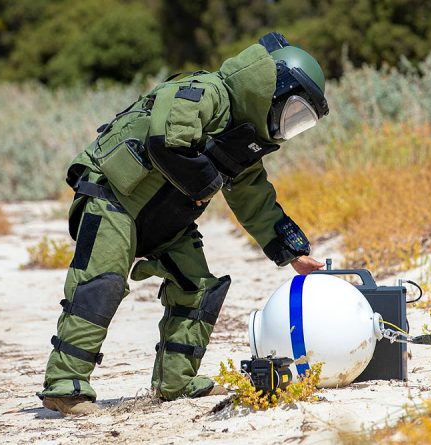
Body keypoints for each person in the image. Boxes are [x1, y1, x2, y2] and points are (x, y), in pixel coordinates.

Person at [37, 32, 328, 415]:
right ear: (267, 88)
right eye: (292, 113)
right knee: (100, 283)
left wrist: (294, 253)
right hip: (113, 200)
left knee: (199, 288)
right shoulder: (202, 92)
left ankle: (175, 382)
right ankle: (65, 384)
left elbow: (256, 202)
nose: (288, 126)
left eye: (298, 122)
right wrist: (208, 181)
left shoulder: (243, 142)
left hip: (164, 221)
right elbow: (167, 144)